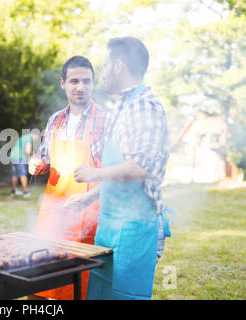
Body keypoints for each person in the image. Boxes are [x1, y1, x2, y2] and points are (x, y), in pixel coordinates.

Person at [70, 37, 172, 300]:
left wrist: (95, 174)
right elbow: (120, 169)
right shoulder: (124, 106)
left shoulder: (143, 106)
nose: (102, 74)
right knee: (102, 291)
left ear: (118, 66)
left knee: (126, 295)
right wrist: (90, 196)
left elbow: (142, 166)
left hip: (135, 227)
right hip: (111, 222)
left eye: (104, 66)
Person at [27, 56, 109, 300]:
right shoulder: (56, 120)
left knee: (78, 283)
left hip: (87, 214)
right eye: (74, 81)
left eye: (86, 81)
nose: (80, 87)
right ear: (63, 83)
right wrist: (38, 165)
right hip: (53, 212)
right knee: (38, 277)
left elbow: (111, 172)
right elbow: (45, 158)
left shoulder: (106, 120)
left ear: (93, 84)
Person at [9, 132, 40, 198]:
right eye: (37, 137)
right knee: (23, 174)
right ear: (34, 134)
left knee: (15, 174)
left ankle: (13, 191)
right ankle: (25, 192)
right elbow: (27, 151)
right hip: (19, 157)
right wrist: (34, 154)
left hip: (13, 156)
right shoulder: (29, 138)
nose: (36, 139)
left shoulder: (24, 137)